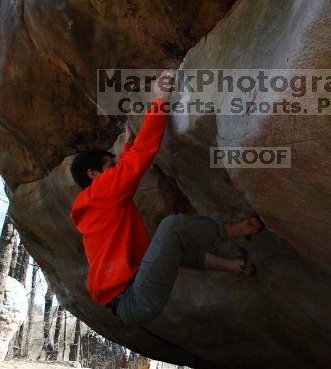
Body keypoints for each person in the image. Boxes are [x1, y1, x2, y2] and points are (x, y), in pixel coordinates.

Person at [69, 70, 265, 326]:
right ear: (93, 174)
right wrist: (160, 98)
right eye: (109, 165)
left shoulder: (96, 202)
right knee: (172, 228)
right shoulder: (100, 193)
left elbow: (125, 167)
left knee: (173, 245)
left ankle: (236, 266)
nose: (114, 168)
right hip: (135, 298)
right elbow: (142, 154)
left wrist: (126, 147)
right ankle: (241, 228)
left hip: (131, 300)